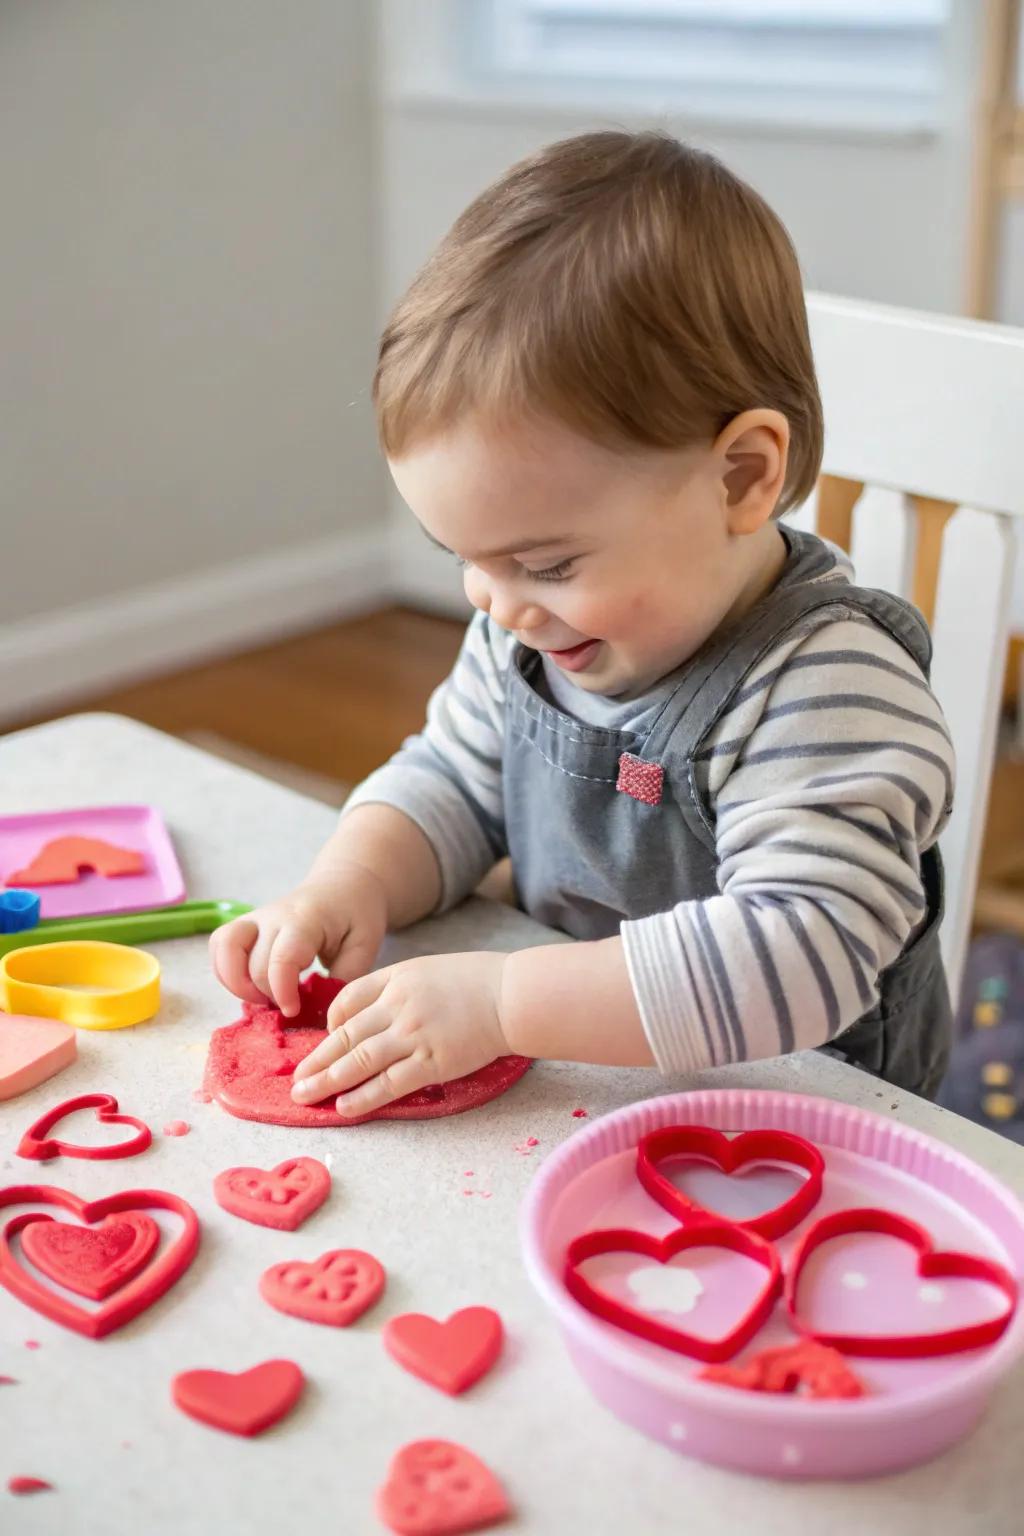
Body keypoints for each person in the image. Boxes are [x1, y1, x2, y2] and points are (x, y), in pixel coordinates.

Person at [211, 131, 954, 1120]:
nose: (497, 604)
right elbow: (451, 782)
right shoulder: (535, 630)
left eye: (547, 563)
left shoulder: (827, 688)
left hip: (808, 1122)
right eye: (465, 559)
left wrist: (505, 998)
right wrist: (352, 885)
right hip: (584, 1089)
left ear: (739, 477)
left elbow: (799, 953)